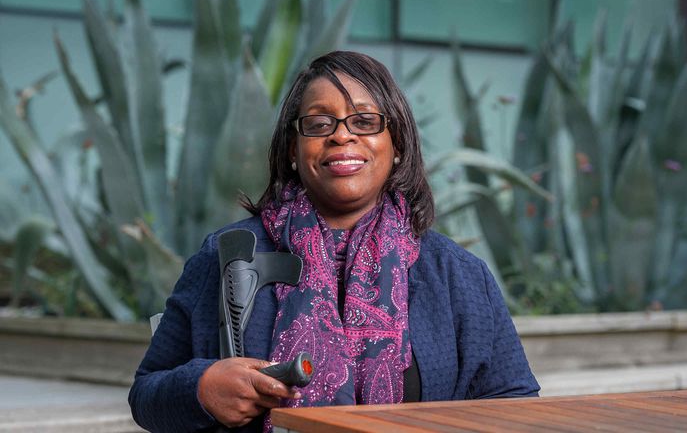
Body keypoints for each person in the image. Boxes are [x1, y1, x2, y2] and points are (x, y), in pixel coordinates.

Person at [128, 50, 539, 433]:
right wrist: (200, 388)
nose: (342, 137)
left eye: (364, 122)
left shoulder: (457, 274)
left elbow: (514, 403)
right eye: (319, 124)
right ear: (294, 149)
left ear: (396, 145)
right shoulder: (226, 256)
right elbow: (146, 394)